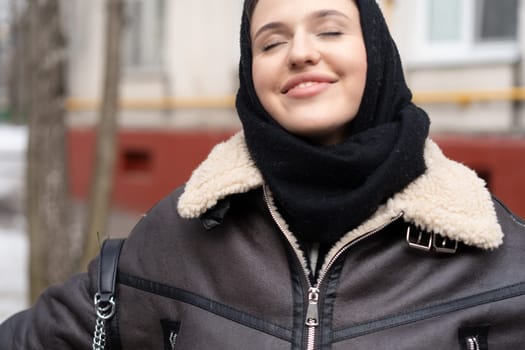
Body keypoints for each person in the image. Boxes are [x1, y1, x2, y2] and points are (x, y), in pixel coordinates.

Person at [2, 0, 525, 348]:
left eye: (329, 29)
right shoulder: (181, 231)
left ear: (376, 51)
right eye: (271, 42)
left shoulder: (497, 256)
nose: (300, 52)